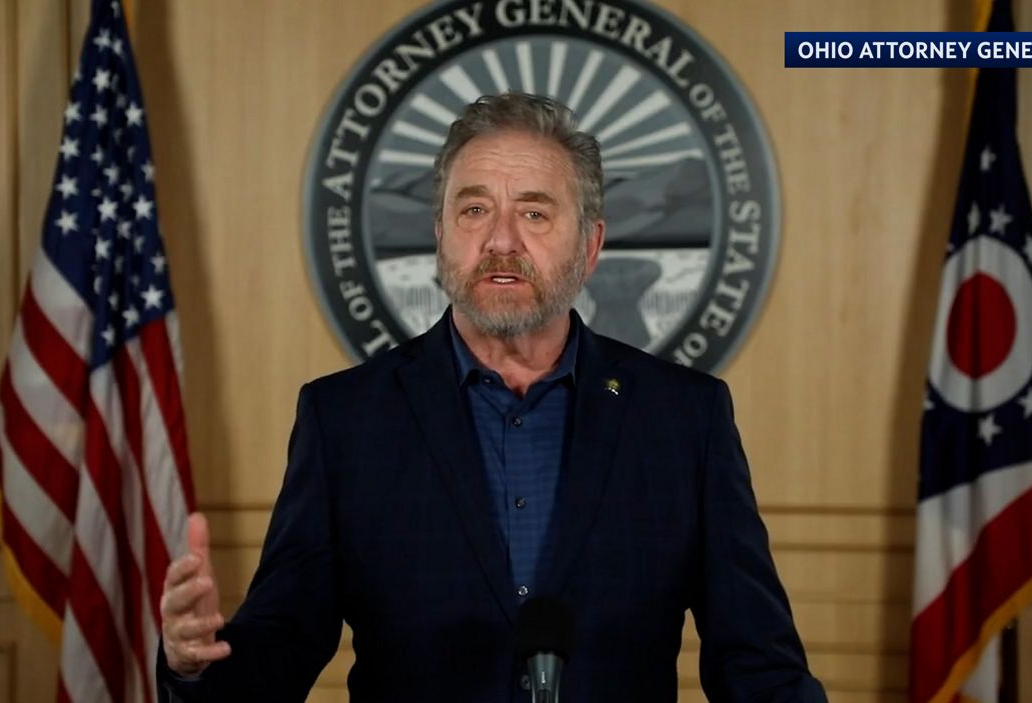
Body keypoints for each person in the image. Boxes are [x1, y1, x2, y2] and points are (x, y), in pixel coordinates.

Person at [157, 92, 826, 702]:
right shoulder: (346, 420)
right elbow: (279, 647)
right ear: (441, 235)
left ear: (591, 244)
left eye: (534, 212)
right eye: (474, 210)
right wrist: (194, 665)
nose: (501, 240)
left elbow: (759, 668)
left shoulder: (684, 420)